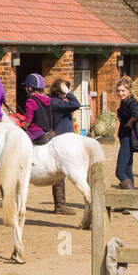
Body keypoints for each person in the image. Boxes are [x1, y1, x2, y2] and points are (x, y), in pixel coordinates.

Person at [46, 78, 82, 212]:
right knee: (59, 173)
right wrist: (68, 92)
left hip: (64, 141)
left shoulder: (59, 102)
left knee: (61, 173)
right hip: (60, 142)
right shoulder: (56, 103)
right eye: (67, 89)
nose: (69, 91)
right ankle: (60, 205)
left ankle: (60, 205)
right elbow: (76, 104)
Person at [114, 76, 138, 190]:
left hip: (128, 138)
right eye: (119, 91)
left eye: (123, 91)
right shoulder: (124, 102)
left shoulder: (132, 102)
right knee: (127, 170)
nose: (120, 93)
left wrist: (131, 122)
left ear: (129, 90)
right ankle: (131, 201)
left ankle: (131, 196)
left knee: (119, 172)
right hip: (124, 138)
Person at [20, 73, 54, 143]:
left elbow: (28, 122)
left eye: (26, 87)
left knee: (17, 141)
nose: (25, 89)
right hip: (49, 130)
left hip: (35, 132)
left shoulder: (31, 101)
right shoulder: (49, 99)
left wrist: (22, 128)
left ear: (30, 88)